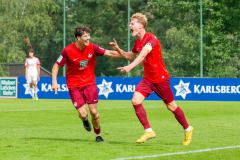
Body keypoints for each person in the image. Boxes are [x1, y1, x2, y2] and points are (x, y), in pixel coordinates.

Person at [109, 13, 193, 145]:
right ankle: (149, 131)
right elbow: (131, 56)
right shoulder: (138, 42)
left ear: (141, 26)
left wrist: (129, 67)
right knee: (136, 100)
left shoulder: (151, 39)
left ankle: (188, 129)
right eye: (130, 23)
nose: (130, 25)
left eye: (132, 23)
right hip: (148, 79)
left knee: (171, 106)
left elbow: (142, 55)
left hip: (161, 79)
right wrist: (118, 49)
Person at [52, 26, 121, 142]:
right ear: (78, 38)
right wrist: (54, 82)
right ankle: (84, 120)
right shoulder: (67, 50)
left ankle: (98, 135)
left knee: (94, 112)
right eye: (85, 36)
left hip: (89, 84)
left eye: (89, 35)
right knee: (83, 114)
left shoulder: (92, 47)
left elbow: (110, 53)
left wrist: (128, 54)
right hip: (74, 86)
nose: (88, 38)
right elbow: (56, 65)